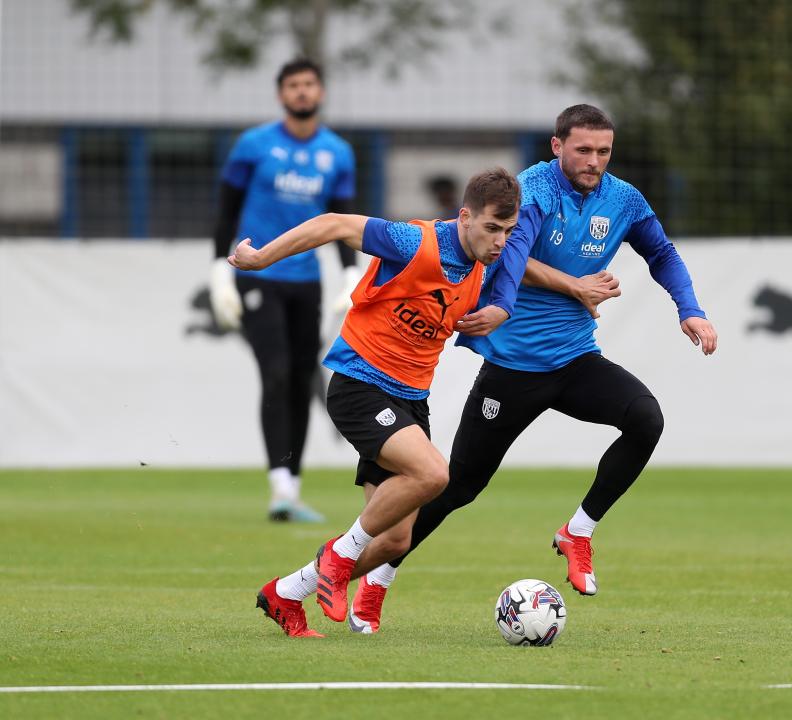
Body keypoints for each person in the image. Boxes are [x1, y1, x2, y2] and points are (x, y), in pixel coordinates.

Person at [346, 104, 718, 633]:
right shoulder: (531, 192)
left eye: (603, 151)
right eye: (583, 149)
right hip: (512, 370)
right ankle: (376, 581)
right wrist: (573, 286)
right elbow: (507, 257)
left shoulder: (624, 199)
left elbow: (661, 253)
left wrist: (691, 310)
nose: (594, 161)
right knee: (455, 487)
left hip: (574, 359)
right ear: (556, 146)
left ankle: (578, 532)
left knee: (645, 419)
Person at [230, 168, 527, 638]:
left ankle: (285, 593)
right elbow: (333, 223)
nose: (500, 241)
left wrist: (524, 302)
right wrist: (262, 257)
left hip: (411, 400)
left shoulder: (485, 265)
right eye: (492, 228)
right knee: (433, 474)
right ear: (465, 216)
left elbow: (524, 269)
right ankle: (339, 554)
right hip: (359, 384)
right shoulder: (414, 242)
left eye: (508, 232)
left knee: (395, 539)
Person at [209, 57, 363, 523]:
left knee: (301, 377)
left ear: (320, 93)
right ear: (281, 94)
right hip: (256, 275)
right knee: (274, 372)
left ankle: (290, 490)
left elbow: (341, 219)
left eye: (309, 85)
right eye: (293, 85)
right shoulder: (253, 146)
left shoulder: (337, 153)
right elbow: (226, 210)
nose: (301, 92)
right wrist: (219, 269)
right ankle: (279, 486)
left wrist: (350, 272)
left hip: (306, 281)